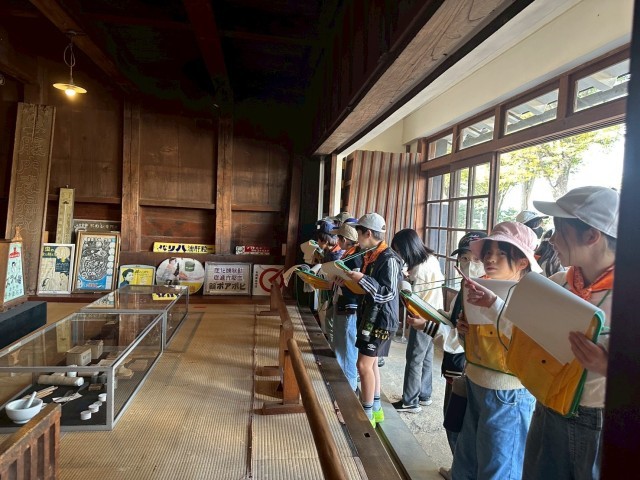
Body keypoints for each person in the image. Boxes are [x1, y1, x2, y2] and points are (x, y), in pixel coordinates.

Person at [518, 186, 618, 480]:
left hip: (596, 419)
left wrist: (607, 366)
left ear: (592, 236)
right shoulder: (559, 282)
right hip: (548, 404)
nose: (552, 239)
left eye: (560, 229)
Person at [451, 222, 540, 480]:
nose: (490, 258)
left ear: (522, 261)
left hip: (508, 391)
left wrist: (493, 305)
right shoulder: (480, 286)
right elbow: (472, 342)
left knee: (499, 470)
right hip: (476, 381)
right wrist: (463, 331)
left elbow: (530, 341)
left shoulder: (532, 294)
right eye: (488, 252)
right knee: (465, 467)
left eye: (501, 253)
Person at [406, 231, 486, 480]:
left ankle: (462, 473)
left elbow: (460, 339)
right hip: (455, 368)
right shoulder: (465, 287)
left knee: (459, 426)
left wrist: (427, 325)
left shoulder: (485, 293)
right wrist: (435, 314)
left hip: (466, 368)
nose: (467, 264)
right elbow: (453, 320)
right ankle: (458, 470)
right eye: (463, 258)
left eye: (474, 259)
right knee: (452, 422)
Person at [342, 212, 402, 427]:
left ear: (368, 233)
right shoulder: (371, 255)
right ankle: (376, 410)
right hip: (370, 316)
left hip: (381, 320)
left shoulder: (389, 258)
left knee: (363, 365)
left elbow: (388, 293)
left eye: (358, 234)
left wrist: (363, 279)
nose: (357, 239)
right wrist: (348, 280)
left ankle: (365, 417)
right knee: (372, 364)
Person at [390, 228, 444, 413]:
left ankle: (410, 401)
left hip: (422, 317)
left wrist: (404, 286)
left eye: (399, 250)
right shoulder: (431, 259)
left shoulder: (419, 269)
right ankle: (424, 395)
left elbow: (414, 299)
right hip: (435, 314)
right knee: (426, 356)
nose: (399, 254)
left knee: (414, 358)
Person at [330, 222, 362, 391]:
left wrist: (343, 283)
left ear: (344, 240)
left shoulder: (356, 257)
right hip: (342, 302)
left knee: (348, 348)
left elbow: (357, 285)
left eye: (339, 238)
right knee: (340, 345)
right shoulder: (348, 255)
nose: (337, 241)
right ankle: (340, 383)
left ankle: (349, 387)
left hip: (350, 306)